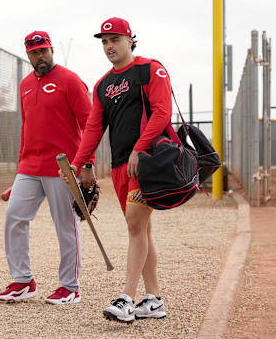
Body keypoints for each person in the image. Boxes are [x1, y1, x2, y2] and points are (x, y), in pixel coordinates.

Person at [62, 17, 172, 322]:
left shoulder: (150, 69)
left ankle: (127, 299)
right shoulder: (102, 85)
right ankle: (154, 299)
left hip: (146, 162)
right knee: (142, 230)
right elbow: (94, 129)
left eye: (115, 40)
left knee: (136, 226)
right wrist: (78, 163)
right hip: (121, 167)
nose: (109, 46)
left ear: (130, 40)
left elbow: (163, 112)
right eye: (104, 42)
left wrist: (141, 147)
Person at [0, 30, 94, 305]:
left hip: (64, 168)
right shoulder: (25, 84)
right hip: (29, 166)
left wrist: (86, 164)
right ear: (28, 54)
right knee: (14, 217)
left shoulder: (70, 81)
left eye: (44, 51)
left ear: (51, 51)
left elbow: (90, 125)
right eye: (35, 53)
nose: (40, 57)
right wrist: (19, 173)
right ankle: (23, 281)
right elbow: (27, 129)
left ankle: (70, 287)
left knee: (65, 225)